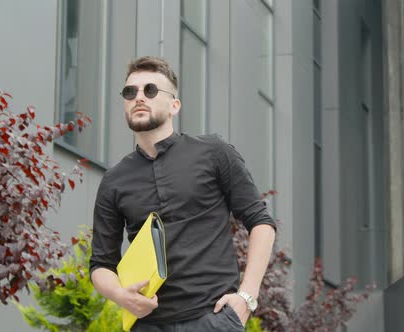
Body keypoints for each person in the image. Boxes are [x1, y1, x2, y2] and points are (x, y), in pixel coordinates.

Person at [89, 56, 277, 331]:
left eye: (150, 90)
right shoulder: (114, 180)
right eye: (130, 92)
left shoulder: (214, 152)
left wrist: (246, 298)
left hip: (214, 319)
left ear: (174, 105)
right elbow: (101, 264)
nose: (139, 97)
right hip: (148, 325)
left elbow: (261, 223)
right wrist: (121, 296)